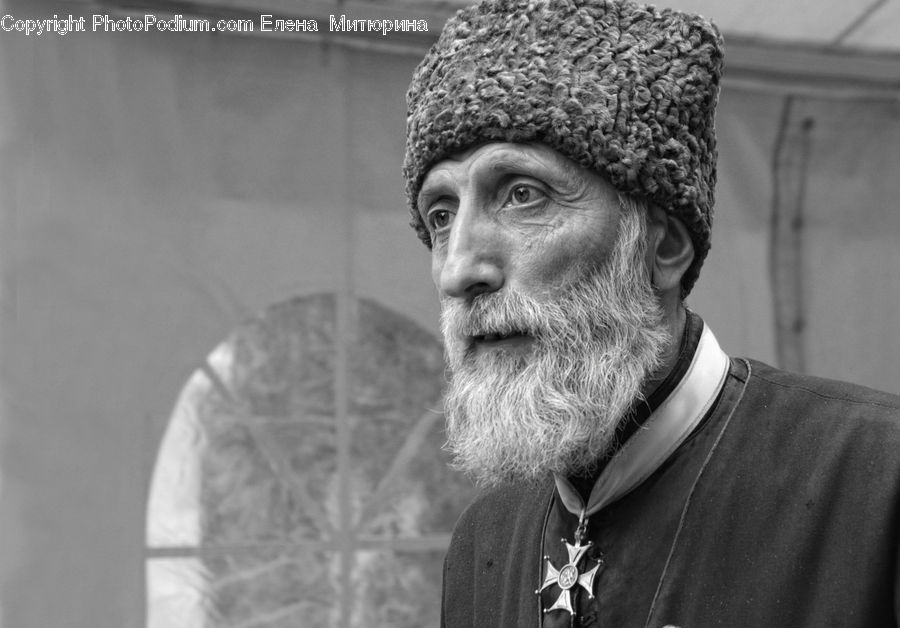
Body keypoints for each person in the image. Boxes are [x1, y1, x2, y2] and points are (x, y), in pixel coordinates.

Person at [401, 0, 900, 625]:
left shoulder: (876, 482)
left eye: (523, 194)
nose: (459, 270)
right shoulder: (485, 540)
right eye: (440, 215)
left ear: (662, 247)